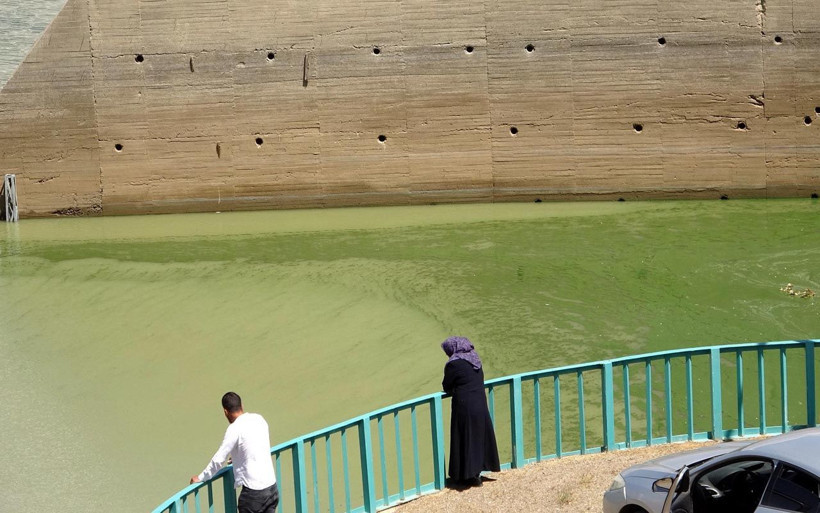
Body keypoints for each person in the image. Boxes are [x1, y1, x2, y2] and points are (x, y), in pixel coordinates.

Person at [190, 392, 279, 513]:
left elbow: (219, 459)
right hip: (271, 488)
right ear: (242, 404)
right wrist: (238, 457)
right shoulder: (259, 418)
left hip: (254, 494)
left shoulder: (234, 428)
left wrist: (201, 477)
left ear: (225, 412)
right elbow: (256, 445)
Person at [441, 336, 500, 487]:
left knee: (464, 437)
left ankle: (467, 476)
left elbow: (446, 385)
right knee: (478, 437)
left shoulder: (453, 364)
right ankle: (478, 472)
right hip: (480, 403)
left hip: (464, 406)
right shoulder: (475, 360)